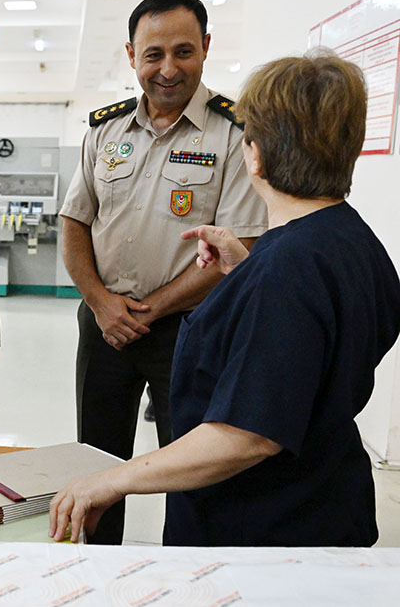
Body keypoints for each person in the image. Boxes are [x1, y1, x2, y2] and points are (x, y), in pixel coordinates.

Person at [49, 53, 400, 548]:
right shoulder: (353, 242)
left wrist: (112, 479)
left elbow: (246, 434)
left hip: (263, 531)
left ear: (253, 154)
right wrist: (247, 269)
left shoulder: (286, 271)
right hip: (328, 500)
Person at [57, 0, 267, 544]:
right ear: (131, 55)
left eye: (183, 51)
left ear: (206, 48)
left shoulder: (233, 133)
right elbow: (74, 222)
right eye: (153, 55)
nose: (168, 69)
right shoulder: (105, 132)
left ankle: (185, 572)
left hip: (188, 331)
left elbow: (237, 243)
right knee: (97, 458)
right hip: (104, 326)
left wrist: (147, 310)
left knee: (189, 466)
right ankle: (98, 568)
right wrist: (103, 305)